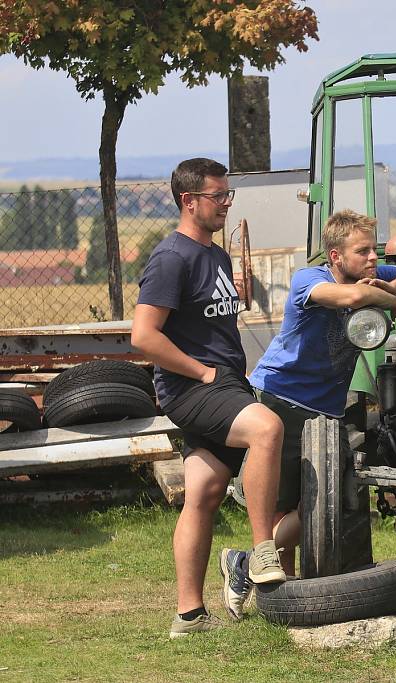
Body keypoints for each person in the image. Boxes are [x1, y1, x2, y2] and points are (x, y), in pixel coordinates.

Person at [229, 212, 396, 591]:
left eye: (373, 250)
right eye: (362, 251)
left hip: (326, 409)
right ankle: (275, 584)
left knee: (321, 501)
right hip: (281, 398)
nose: (371, 258)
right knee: (284, 505)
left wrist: (393, 285)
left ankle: (243, 563)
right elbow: (352, 296)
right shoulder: (309, 280)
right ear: (335, 256)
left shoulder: (370, 273)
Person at [132, 157, 286, 640]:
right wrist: (201, 372)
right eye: (218, 196)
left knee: (202, 493)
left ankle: (189, 616)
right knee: (267, 428)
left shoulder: (214, 255)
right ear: (189, 201)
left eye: (228, 195)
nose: (226, 203)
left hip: (224, 384)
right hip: (193, 388)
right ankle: (263, 551)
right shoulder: (170, 258)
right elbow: (143, 336)